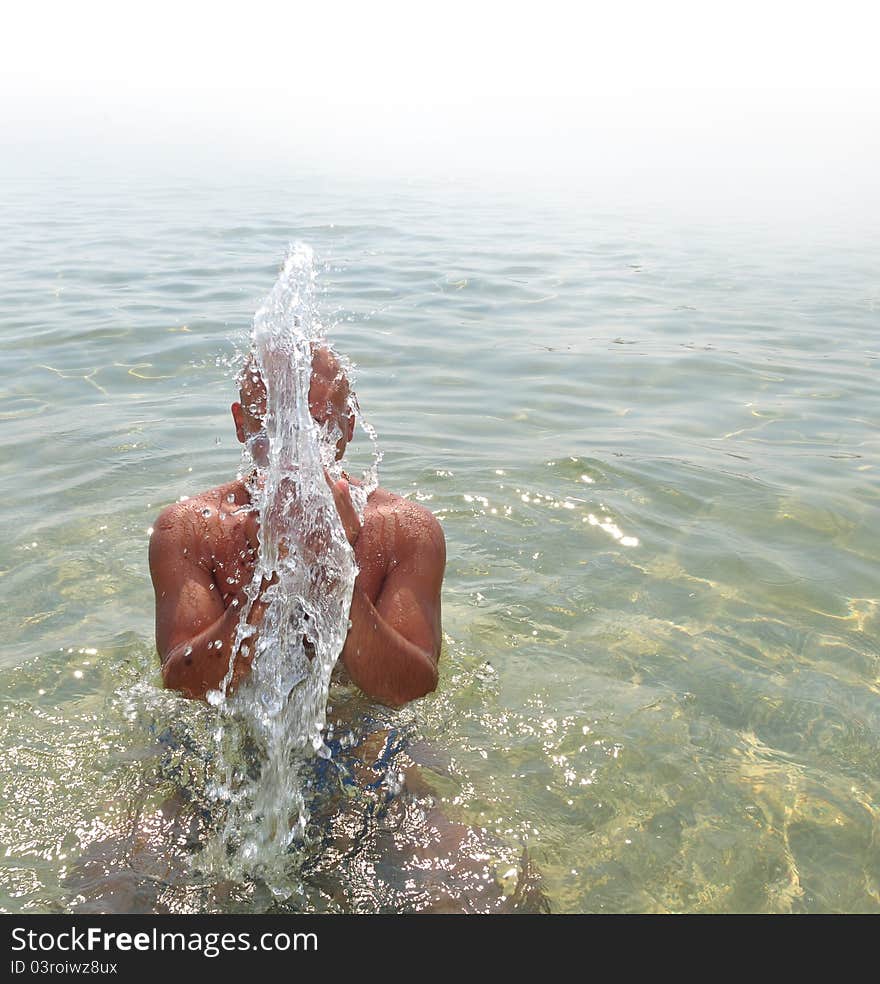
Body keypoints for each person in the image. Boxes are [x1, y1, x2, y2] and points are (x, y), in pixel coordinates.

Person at [148, 345, 446, 707]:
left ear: (348, 424)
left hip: (361, 724)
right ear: (242, 425)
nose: (294, 450)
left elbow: (410, 691)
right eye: (273, 426)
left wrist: (333, 566)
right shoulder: (191, 529)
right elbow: (184, 688)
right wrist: (269, 572)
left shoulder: (404, 530)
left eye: (316, 425)